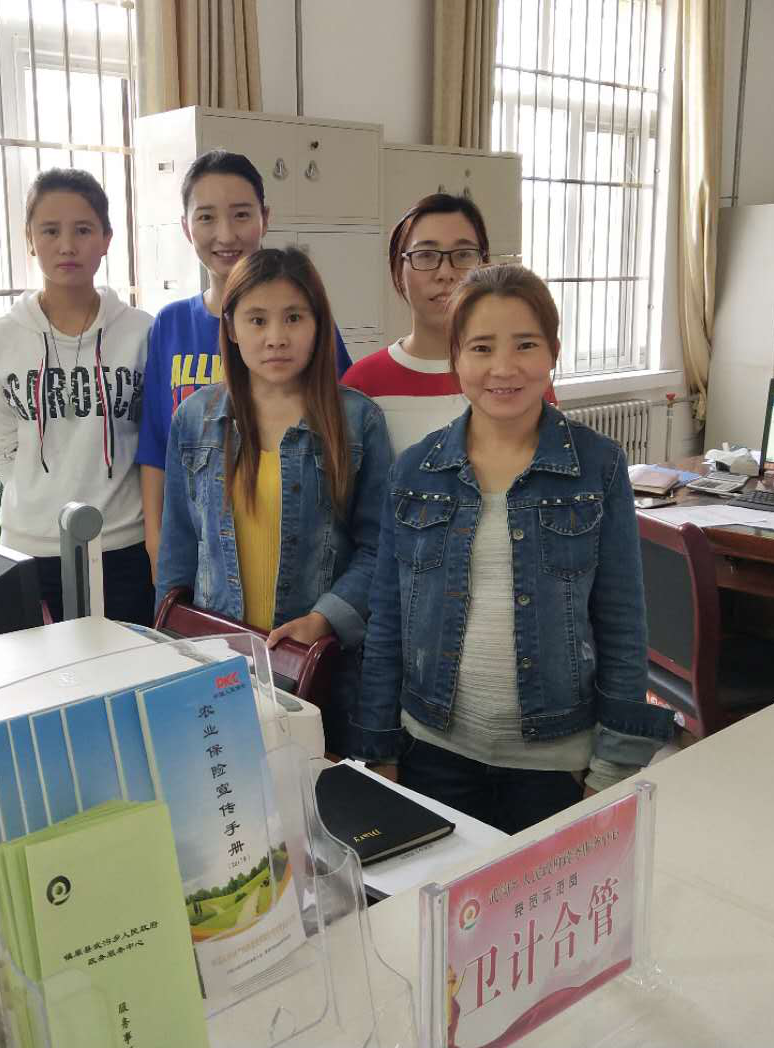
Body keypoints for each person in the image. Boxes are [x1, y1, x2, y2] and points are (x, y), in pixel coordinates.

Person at [350, 264, 672, 834]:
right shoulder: (415, 470)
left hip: (555, 764)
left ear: (553, 352)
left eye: (525, 344)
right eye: (481, 347)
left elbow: (623, 622)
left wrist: (612, 767)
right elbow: (387, 624)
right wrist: (379, 749)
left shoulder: (597, 466)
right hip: (433, 753)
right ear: (456, 358)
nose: (504, 367)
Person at [155, 247, 392, 749]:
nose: (276, 337)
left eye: (294, 318)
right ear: (231, 327)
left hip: (318, 668)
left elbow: (380, 548)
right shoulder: (194, 419)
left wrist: (324, 618)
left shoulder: (358, 421)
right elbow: (178, 548)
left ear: (318, 325)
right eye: (257, 319)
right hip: (217, 665)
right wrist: (167, 652)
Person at [138, 150, 353, 576]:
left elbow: (344, 428)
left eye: (241, 215)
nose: (225, 234)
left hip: (296, 551)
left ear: (264, 218)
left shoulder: (302, 326)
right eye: (206, 217)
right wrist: (155, 539)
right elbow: (156, 443)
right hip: (200, 556)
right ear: (186, 227)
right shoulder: (171, 324)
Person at [0, 168, 155, 625]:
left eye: (83, 230)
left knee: (126, 665)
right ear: (30, 240)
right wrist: (37, 492)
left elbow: (152, 437)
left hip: (123, 545)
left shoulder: (142, 332)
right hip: (31, 547)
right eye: (50, 231)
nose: (67, 246)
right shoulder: (0, 339)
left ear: (107, 238)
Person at [342, 193, 555, 453]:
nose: (446, 273)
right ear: (398, 271)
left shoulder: (518, 378)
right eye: (426, 255)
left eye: (463, 254)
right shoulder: (363, 384)